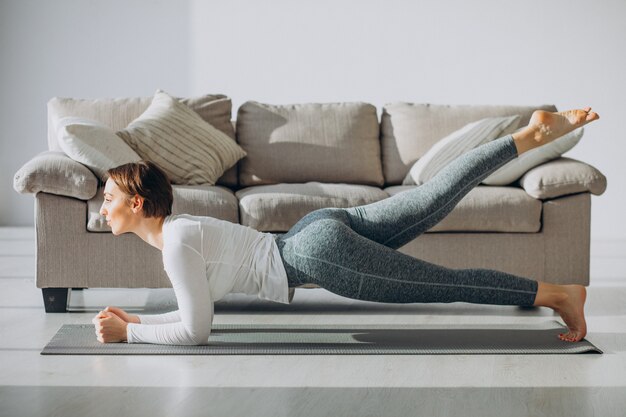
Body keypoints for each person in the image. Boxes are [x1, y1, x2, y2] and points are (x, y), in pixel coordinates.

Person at [93, 108, 600, 345]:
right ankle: (526, 136)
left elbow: (196, 331)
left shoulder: (176, 246)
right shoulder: (182, 229)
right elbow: (191, 319)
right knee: (431, 198)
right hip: (314, 229)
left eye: (109, 199)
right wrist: (134, 323)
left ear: (137, 204)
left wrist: (130, 333)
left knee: (440, 283)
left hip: (315, 256)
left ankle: (556, 295)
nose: (102, 209)